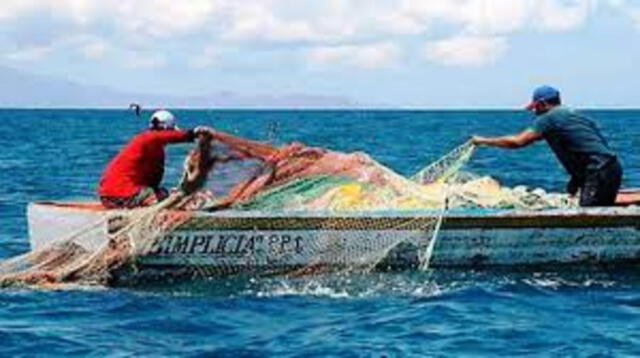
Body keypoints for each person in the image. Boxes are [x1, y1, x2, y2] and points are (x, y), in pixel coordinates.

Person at [471, 85, 622, 207]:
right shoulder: (576, 115)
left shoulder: (549, 118)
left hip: (598, 171)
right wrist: (577, 179)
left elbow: (517, 142)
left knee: (590, 218)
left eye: (535, 107)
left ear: (542, 104)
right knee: (599, 209)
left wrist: (483, 140)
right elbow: (590, 147)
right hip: (611, 167)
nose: (535, 112)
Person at [98, 110, 208, 209]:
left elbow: (154, 181)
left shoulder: (153, 147)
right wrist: (192, 134)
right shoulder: (147, 138)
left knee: (162, 193)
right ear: (166, 129)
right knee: (154, 195)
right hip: (120, 196)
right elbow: (165, 136)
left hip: (108, 197)